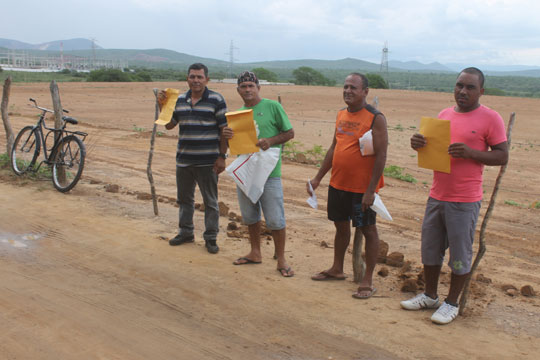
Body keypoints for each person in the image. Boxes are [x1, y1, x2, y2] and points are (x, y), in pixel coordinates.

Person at [401, 67, 508, 324]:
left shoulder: (491, 118)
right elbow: (433, 149)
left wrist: (472, 153)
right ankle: (429, 295)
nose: (463, 91)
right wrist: (419, 144)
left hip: (465, 199)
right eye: (459, 85)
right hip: (437, 194)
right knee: (430, 249)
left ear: (481, 91)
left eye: (470, 87)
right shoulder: (443, 115)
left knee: (459, 255)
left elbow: (502, 155)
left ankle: (451, 303)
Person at [308, 73, 388, 299]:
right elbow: (334, 148)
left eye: (353, 88)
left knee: (368, 230)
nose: (348, 91)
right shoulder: (341, 114)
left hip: (361, 190)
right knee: (340, 227)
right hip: (338, 185)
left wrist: (371, 190)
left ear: (365, 92)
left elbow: (381, 155)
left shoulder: (375, 118)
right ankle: (336, 269)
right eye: (345, 87)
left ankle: (367, 280)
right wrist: (318, 178)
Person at [222, 71, 295, 277]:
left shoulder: (273, 107)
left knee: (275, 218)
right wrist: (227, 135)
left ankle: (281, 259)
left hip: (270, 173)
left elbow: (289, 133)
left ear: (258, 88)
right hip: (246, 172)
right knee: (250, 215)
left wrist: (270, 141)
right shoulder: (238, 116)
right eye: (243, 86)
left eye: (250, 86)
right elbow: (236, 145)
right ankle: (255, 252)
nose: (247, 90)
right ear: (238, 90)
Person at [158, 63, 228, 254]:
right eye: (192, 77)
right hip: (184, 160)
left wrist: (222, 157)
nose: (196, 80)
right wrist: (161, 106)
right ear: (187, 78)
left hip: (208, 161)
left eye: (199, 77)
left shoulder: (216, 99)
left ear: (207, 79)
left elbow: (224, 130)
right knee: (184, 199)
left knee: (211, 202)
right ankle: (186, 232)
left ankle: (211, 238)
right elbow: (169, 126)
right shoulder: (179, 99)